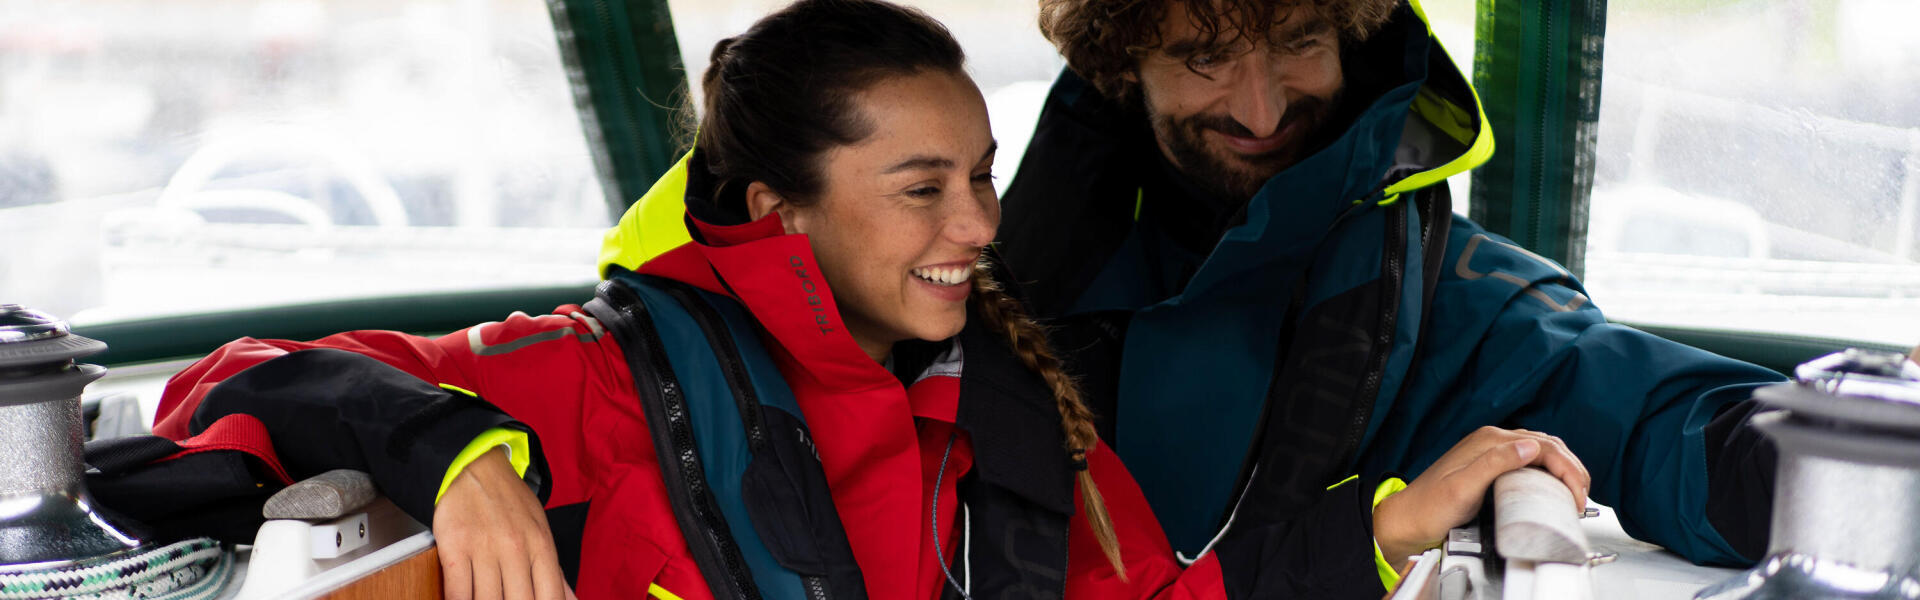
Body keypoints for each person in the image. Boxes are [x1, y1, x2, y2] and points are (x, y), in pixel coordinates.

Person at [145, 1, 1587, 599]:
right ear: (777, 206)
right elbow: (231, 381)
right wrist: (456, 462)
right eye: (919, 189)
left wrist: (1385, 529)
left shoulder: (1023, 419)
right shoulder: (595, 380)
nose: (978, 228)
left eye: (982, 177)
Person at [992, 0, 1784, 582]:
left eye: (1298, 40)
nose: (1260, 106)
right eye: (1204, 56)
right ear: (1125, 60)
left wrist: (1866, 445)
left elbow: (1663, 422)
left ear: (1355, 30)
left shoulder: (1456, 295)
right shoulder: (983, 276)